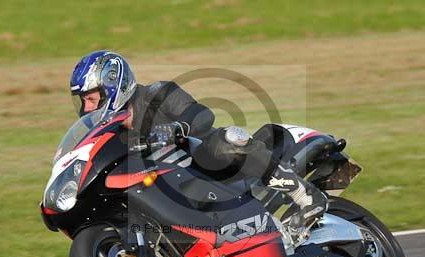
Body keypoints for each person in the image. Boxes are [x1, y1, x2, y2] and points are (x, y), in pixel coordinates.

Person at [69, 50, 327, 231]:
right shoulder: (112, 134)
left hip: (204, 167)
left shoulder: (156, 93)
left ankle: (304, 195)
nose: (87, 108)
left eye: (91, 99)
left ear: (114, 87)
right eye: (82, 102)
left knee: (228, 140)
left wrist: (174, 129)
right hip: (167, 191)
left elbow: (202, 115)